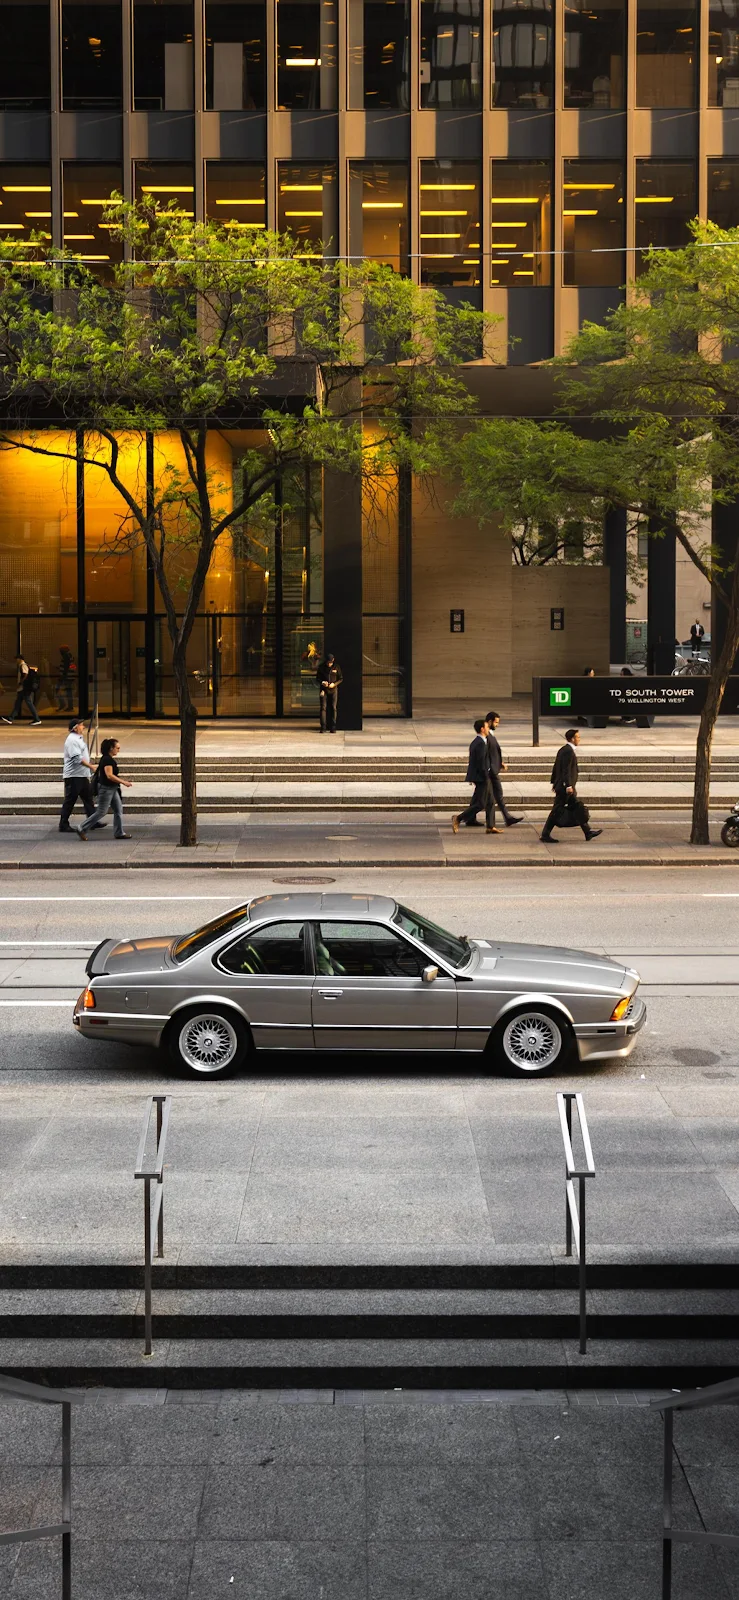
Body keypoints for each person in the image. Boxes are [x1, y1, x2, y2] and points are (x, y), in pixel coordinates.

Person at [540, 728, 602, 843]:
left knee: (576, 808)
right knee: (557, 810)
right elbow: (566, 770)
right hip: (566, 788)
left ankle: (587, 832)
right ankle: (545, 834)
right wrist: (568, 785)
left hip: (563, 786)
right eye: (578, 737)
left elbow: (556, 767)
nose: (579, 739)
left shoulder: (564, 749)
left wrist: (554, 782)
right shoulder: (568, 751)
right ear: (572, 739)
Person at [77, 737, 133, 841]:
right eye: (117, 748)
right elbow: (109, 775)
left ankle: (119, 832)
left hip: (112, 788)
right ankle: (82, 827)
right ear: (111, 748)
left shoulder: (107, 758)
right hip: (106, 789)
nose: (118, 750)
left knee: (118, 809)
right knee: (101, 811)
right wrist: (123, 782)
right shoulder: (107, 760)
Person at [452, 718, 499, 833]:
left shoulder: (479, 741)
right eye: (487, 727)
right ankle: (459, 818)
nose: (488, 729)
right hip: (482, 777)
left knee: (490, 801)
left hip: (482, 775)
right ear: (482, 729)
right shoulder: (480, 743)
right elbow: (481, 762)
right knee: (481, 803)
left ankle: (490, 826)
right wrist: (486, 775)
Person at [59, 717, 105, 834]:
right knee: (70, 800)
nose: (83, 727)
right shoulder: (72, 740)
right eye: (81, 725)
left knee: (88, 798)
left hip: (82, 775)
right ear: (75, 728)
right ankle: (63, 824)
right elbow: (77, 758)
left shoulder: (78, 739)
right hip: (74, 776)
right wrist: (91, 766)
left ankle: (92, 821)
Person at [485, 712, 523, 829]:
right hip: (491, 771)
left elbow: (493, 752)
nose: (497, 725)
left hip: (493, 768)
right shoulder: (486, 736)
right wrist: (492, 767)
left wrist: (499, 762)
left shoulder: (490, 734)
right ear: (490, 722)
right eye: (496, 722)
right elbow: (485, 754)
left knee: (482, 797)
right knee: (496, 794)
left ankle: (507, 817)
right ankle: (507, 818)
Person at [1, 657, 42, 725]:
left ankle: (37, 719)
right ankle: (10, 718)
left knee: (28, 703)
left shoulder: (23, 665)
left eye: (17, 659)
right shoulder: (22, 665)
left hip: (24, 688)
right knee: (18, 703)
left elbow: (25, 675)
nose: (16, 661)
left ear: (20, 659)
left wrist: (21, 683)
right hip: (22, 688)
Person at [316, 653, 343, 733]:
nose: (329, 664)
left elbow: (340, 678)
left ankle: (333, 726)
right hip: (324, 690)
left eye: (330, 662)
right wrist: (322, 682)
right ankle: (323, 727)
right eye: (328, 662)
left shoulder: (336, 667)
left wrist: (334, 684)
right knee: (323, 708)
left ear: (333, 660)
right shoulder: (321, 667)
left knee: (333, 707)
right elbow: (317, 678)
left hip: (333, 690)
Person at [55, 646, 76, 713]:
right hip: (69, 676)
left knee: (58, 689)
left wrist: (63, 676)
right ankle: (69, 706)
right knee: (68, 691)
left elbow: (66, 667)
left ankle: (64, 704)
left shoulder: (66, 656)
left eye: (61, 651)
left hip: (66, 677)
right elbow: (71, 667)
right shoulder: (70, 656)